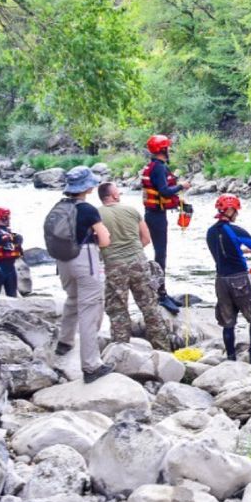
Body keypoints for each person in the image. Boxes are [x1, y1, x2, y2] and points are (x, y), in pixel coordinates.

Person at [46, 167, 110, 382]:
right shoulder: (88, 209)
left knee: (72, 299)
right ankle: (91, 366)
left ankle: (64, 342)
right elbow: (105, 240)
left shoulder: (59, 206)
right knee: (89, 310)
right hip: (85, 259)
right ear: (87, 187)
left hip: (62, 260)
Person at [99, 181, 171, 351]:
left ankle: (121, 350)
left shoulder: (96, 215)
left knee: (118, 310)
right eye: (118, 192)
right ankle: (163, 350)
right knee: (150, 308)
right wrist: (133, 251)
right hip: (139, 263)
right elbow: (146, 238)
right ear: (114, 196)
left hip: (114, 266)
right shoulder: (132, 211)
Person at [205, 194, 251, 364]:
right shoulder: (235, 230)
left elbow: (224, 253)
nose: (237, 214)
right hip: (240, 278)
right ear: (229, 210)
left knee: (228, 322)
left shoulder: (210, 232)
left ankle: (230, 358)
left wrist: (241, 251)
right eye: (235, 210)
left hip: (221, 280)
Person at [140, 134, 188, 310]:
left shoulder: (154, 166)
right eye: (167, 147)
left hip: (155, 214)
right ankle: (160, 294)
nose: (169, 150)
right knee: (161, 255)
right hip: (156, 216)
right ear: (163, 149)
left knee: (161, 254)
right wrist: (182, 186)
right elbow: (165, 192)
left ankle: (162, 292)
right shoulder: (158, 168)